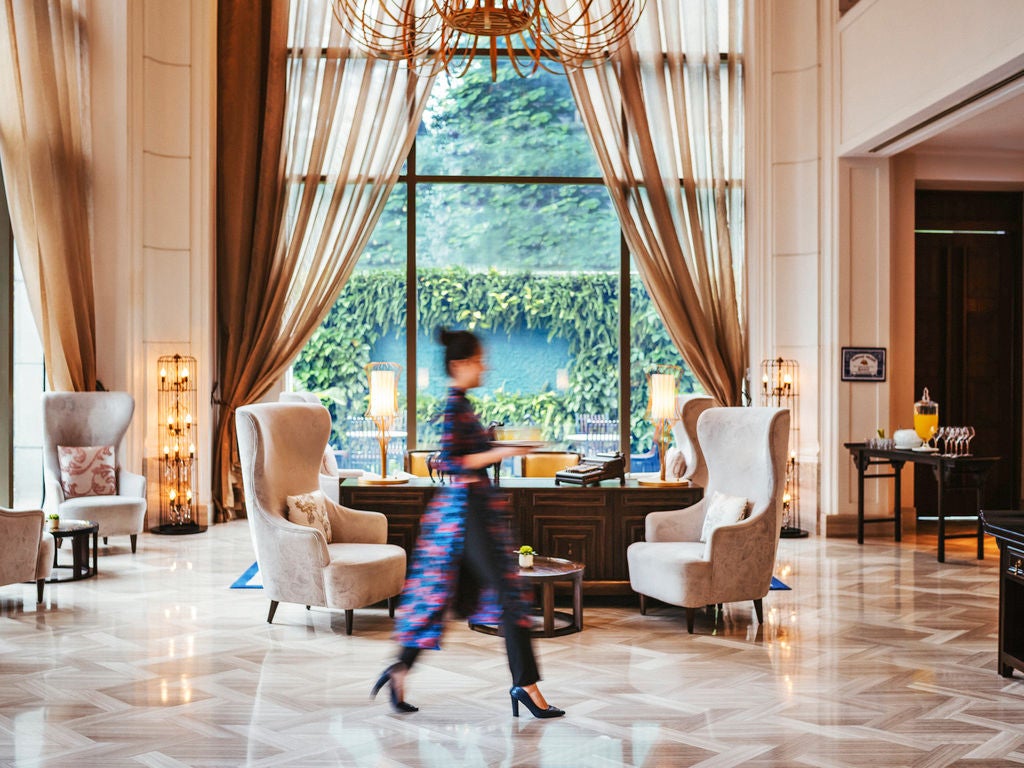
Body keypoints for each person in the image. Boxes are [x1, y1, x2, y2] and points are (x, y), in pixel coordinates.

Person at [371, 328, 564, 719]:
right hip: (466, 515)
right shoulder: (455, 407)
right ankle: (525, 684)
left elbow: (470, 452)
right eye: (478, 359)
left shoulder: (463, 406)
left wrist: (506, 447)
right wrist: (507, 450)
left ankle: (399, 668)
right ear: (460, 365)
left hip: (468, 514)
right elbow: (454, 461)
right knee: (510, 597)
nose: (485, 365)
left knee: (437, 599)